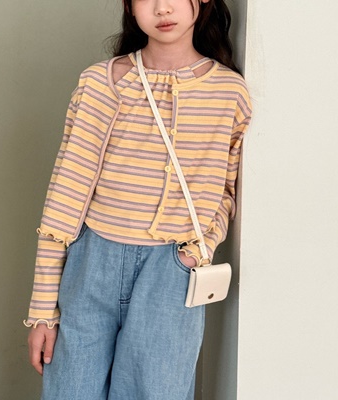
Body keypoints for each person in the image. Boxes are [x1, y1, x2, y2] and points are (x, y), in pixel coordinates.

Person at [24, 0, 252, 398]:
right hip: (91, 261)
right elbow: (65, 195)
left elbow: (226, 191)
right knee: (71, 391)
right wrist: (42, 310)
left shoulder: (228, 92)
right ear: (130, 6)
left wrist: (197, 251)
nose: (162, 8)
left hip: (171, 270)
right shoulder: (101, 83)